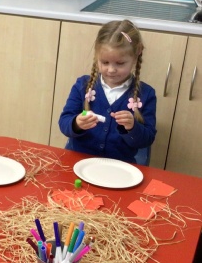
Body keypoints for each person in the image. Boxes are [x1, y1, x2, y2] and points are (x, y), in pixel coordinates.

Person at [59, 19, 156, 164]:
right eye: (105, 62)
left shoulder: (146, 94)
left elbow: (147, 139)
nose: (111, 70)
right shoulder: (82, 85)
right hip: (78, 163)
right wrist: (76, 123)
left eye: (120, 63)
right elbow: (64, 122)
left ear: (136, 54)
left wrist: (132, 127)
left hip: (119, 167)